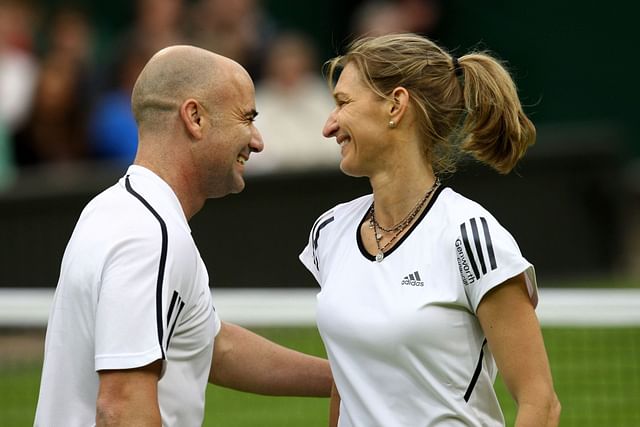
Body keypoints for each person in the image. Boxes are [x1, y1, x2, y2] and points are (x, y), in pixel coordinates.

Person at [34, 45, 333, 426]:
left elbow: (210, 345)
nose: (257, 140)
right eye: (246, 118)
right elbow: (122, 407)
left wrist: (345, 376)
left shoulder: (118, 211)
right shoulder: (150, 236)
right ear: (195, 117)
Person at [299, 33, 561, 427]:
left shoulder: (470, 237)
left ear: (395, 105)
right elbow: (348, 381)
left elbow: (540, 403)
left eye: (343, 103)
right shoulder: (329, 232)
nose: (329, 125)